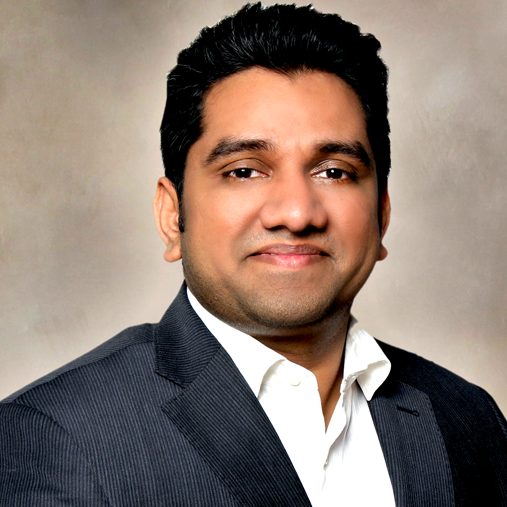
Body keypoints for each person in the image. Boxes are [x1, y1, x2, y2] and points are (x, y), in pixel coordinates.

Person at [1, 3, 506, 506]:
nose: (296, 213)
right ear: (173, 216)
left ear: (382, 215)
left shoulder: (468, 419)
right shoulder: (53, 438)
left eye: (334, 171)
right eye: (244, 171)